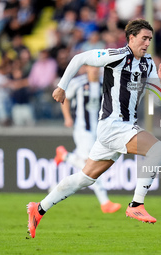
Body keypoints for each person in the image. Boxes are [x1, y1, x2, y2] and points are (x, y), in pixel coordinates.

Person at [27, 19, 161, 238]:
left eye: (150, 39)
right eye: (143, 38)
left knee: (85, 178)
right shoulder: (117, 56)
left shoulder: (148, 63)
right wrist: (62, 86)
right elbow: (80, 58)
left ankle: (39, 208)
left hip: (121, 128)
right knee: (158, 150)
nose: (147, 43)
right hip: (113, 126)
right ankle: (135, 205)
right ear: (131, 38)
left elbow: (153, 97)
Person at [53, 65, 121, 214]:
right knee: (90, 165)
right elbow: (64, 98)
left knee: (87, 164)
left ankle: (64, 155)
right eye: (92, 67)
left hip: (99, 130)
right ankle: (105, 202)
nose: (95, 70)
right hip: (83, 129)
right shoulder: (78, 83)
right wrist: (67, 117)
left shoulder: (106, 84)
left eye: (97, 67)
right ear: (86, 68)